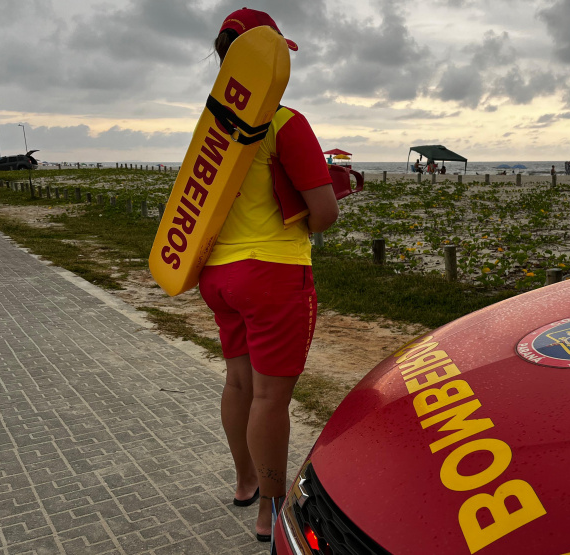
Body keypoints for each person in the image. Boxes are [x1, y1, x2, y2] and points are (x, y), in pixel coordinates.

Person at [200, 8, 339, 544]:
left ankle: (244, 485)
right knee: (269, 398)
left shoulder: (211, 130)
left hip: (219, 275)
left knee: (238, 383)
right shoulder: (284, 122)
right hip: (273, 274)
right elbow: (323, 213)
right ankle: (272, 512)